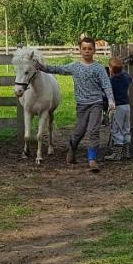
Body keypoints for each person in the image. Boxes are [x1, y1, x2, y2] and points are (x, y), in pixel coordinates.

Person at [35, 36, 114, 172]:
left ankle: (92, 160)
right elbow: (58, 69)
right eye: (84, 49)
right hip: (82, 105)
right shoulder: (74, 67)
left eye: (90, 49)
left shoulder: (99, 68)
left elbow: (107, 85)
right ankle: (72, 148)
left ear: (94, 50)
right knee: (79, 131)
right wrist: (42, 67)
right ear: (80, 50)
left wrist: (111, 100)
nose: (87, 51)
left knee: (94, 131)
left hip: (96, 103)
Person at [105, 56, 132, 161]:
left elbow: (106, 94)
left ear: (110, 69)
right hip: (127, 106)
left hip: (118, 107)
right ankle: (127, 152)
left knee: (116, 129)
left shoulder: (111, 82)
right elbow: (129, 77)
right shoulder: (126, 78)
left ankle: (117, 154)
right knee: (126, 128)